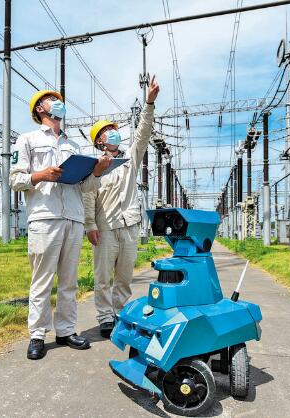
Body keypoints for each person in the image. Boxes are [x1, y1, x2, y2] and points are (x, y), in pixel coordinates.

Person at [10, 90, 112, 360]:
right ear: (39, 110)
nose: (57, 103)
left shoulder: (74, 147)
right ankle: (37, 334)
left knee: (69, 280)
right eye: (50, 99)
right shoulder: (27, 140)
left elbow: (86, 186)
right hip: (45, 216)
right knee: (42, 281)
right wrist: (41, 175)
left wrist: (97, 172)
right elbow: (15, 179)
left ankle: (66, 331)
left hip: (73, 218)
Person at [83, 75, 160, 338]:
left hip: (129, 226)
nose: (114, 132)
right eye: (107, 131)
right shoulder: (94, 167)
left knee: (124, 277)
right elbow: (88, 196)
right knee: (103, 277)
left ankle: (121, 313)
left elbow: (143, 134)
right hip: (105, 228)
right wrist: (90, 225)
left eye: (113, 129)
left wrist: (149, 104)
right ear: (99, 141)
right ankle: (105, 317)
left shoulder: (130, 159)